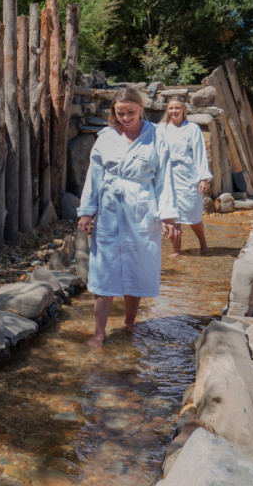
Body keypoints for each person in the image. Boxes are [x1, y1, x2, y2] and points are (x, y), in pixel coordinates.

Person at [77, 87, 178, 348]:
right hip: (111, 209)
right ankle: (99, 333)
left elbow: (164, 178)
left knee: (138, 265)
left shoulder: (157, 136)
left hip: (143, 208)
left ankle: (130, 322)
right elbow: (94, 177)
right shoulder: (105, 137)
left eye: (130, 112)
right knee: (104, 270)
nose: (125, 118)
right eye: (120, 113)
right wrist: (87, 211)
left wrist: (168, 216)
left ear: (141, 106)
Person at [156, 96, 212, 257]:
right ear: (167, 110)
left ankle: (203, 245)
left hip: (186, 175)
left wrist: (203, 178)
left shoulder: (192, 128)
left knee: (193, 214)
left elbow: (200, 153)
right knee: (172, 214)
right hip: (167, 175)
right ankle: (176, 251)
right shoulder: (160, 128)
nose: (174, 111)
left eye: (177, 108)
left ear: (183, 110)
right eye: (171, 108)